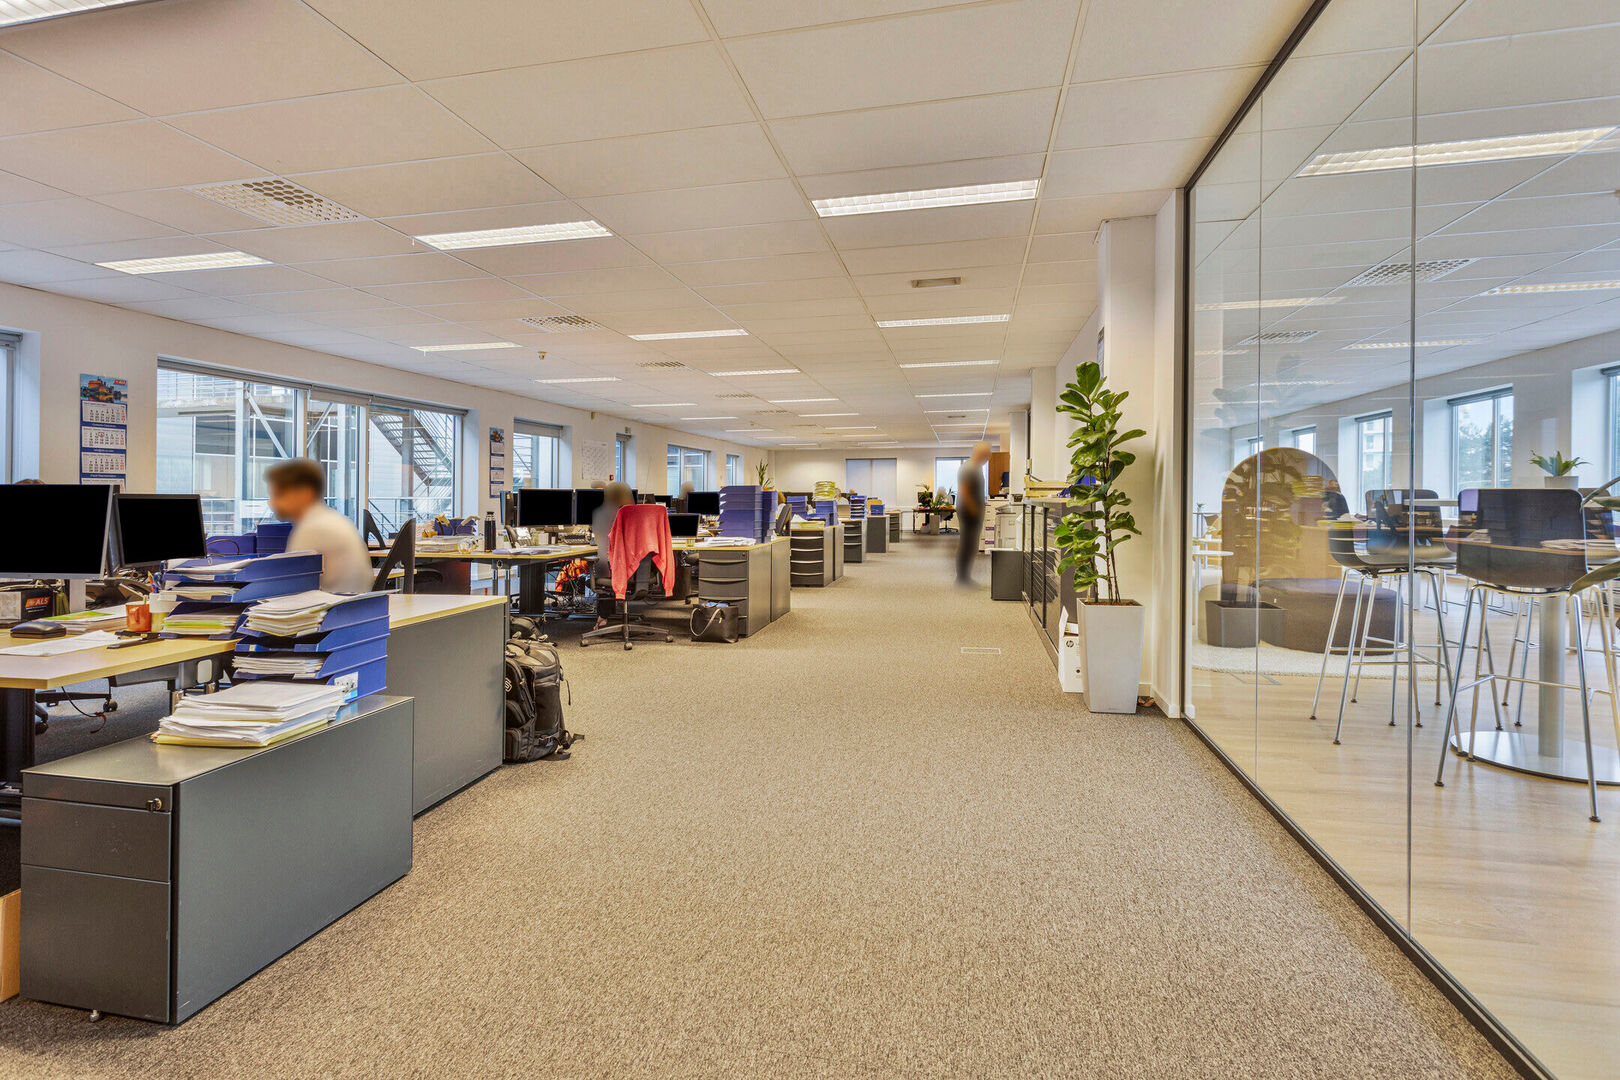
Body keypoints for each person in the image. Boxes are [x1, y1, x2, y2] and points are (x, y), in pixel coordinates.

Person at [265, 458, 373, 593]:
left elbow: (290, 589)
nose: (271, 502)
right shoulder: (334, 519)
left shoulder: (313, 528)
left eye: (279, 495)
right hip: (347, 602)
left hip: (328, 604)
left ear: (305, 493)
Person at [592, 481, 635, 628]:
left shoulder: (602, 513)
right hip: (637, 570)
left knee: (602, 561)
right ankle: (607, 612)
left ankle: (603, 615)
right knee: (606, 561)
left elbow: (600, 539)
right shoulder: (636, 514)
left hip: (614, 567)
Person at [956, 442, 991, 585]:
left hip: (972, 511)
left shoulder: (976, 468)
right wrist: (974, 510)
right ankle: (962, 578)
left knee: (971, 545)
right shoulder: (969, 468)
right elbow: (964, 492)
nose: (988, 457)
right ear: (979, 453)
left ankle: (965, 577)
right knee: (967, 544)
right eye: (986, 454)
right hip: (968, 512)